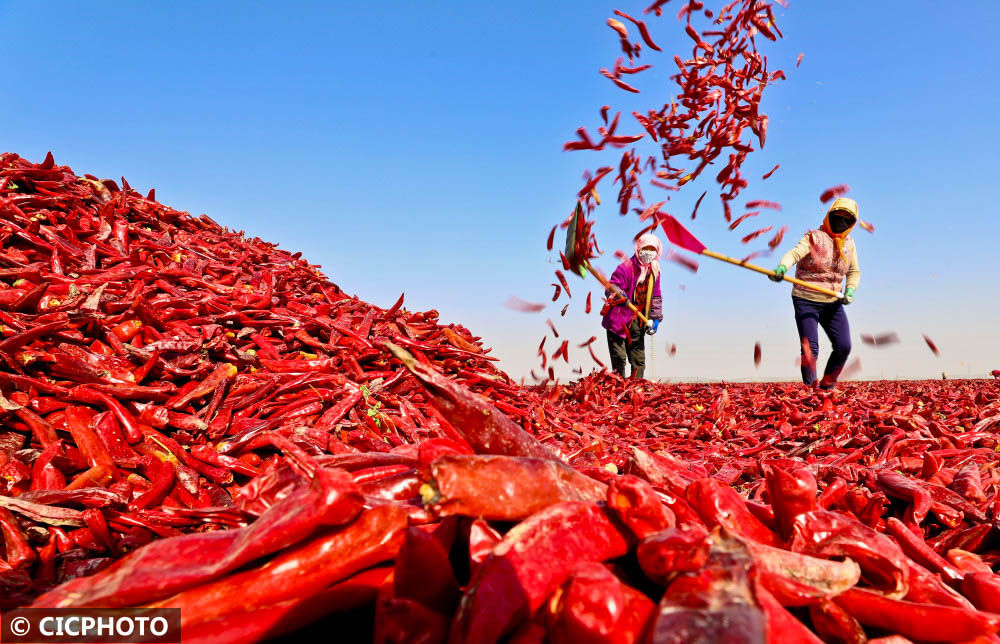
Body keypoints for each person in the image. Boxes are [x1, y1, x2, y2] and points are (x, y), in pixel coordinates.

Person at [769, 197, 861, 389]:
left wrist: (850, 289)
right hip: (806, 299)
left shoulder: (850, 244)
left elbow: (853, 271)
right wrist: (782, 268)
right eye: (837, 216)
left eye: (847, 219)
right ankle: (811, 390)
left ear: (852, 223)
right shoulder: (814, 237)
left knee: (844, 346)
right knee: (810, 349)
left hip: (833, 302)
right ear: (829, 215)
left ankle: (827, 386)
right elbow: (794, 254)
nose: (841, 221)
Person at [601, 233, 663, 379]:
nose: (648, 253)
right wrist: (621, 295)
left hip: (638, 321)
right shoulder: (625, 268)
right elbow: (611, 286)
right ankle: (619, 389)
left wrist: (655, 318)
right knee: (619, 359)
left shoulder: (655, 271)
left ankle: (637, 390)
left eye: (652, 249)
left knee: (638, 360)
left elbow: (656, 296)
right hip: (618, 320)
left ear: (657, 251)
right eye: (645, 248)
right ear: (638, 249)